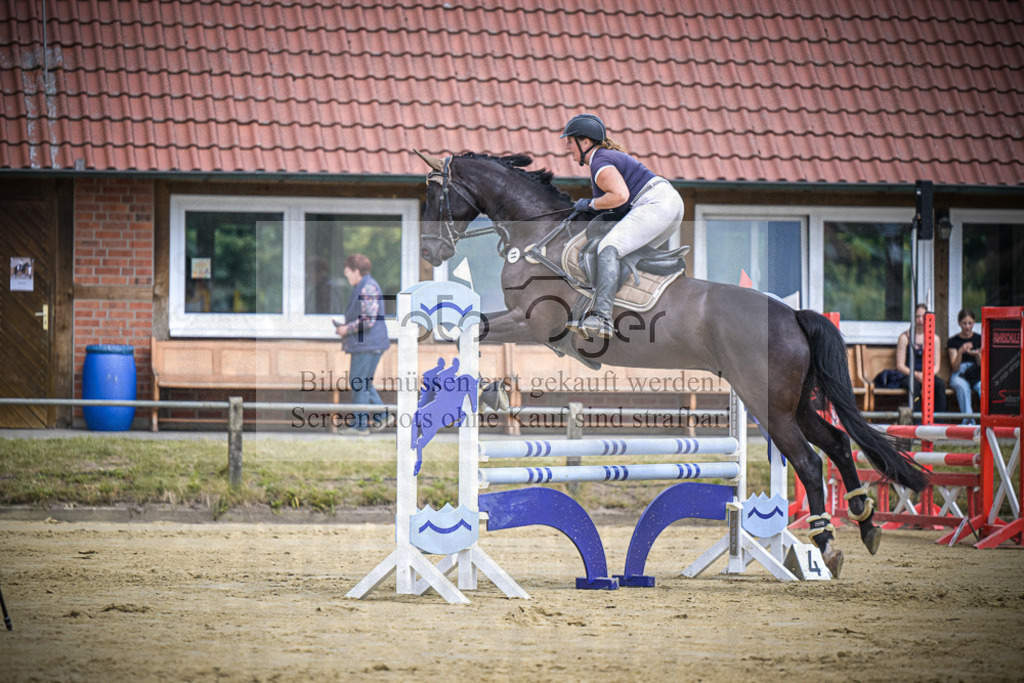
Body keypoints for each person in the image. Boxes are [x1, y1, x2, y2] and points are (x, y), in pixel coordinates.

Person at [560, 113, 684, 340]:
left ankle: (602, 317)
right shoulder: (605, 158)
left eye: (570, 140)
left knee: (608, 247)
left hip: (655, 204)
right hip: (669, 205)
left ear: (585, 142)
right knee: (625, 253)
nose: (568, 146)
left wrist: (589, 203)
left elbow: (619, 196)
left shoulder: (599, 162)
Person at [334, 254, 390, 434]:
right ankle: (382, 416)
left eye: (348, 273)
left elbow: (367, 320)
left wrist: (345, 329)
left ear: (356, 271)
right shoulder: (364, 286)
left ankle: (360, 426)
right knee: (362, 383)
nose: (347, 276)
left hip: (368, 344)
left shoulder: (367, 288)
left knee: (359, 382)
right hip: (369, 344)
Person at [895, 304, 947, 416]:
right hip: (909, 375)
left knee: (939, 384)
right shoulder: (904, 338)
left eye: (923, 317)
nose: (920, 320)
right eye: (917, 316)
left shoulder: (935, 339)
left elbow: (937, 366)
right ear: (913, 318)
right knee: (915, 386)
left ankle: (940, 421)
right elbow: (900, 365)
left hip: (927, 374)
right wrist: (916, 374)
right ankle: (917, 421)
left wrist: (926, 375)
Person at [947, 308, 982, 422]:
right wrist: (961, 351)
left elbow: (982, 365)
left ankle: (990, 421)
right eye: (964, 323)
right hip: (959, 374)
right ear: (959, 323)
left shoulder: (980, 339)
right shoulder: (953, 341)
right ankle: (969, 422)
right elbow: (955, 368)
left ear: (974, 322)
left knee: (983, 387)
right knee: (962, 387)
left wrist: (977, 355)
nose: (967, 326)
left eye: (970, 323)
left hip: (976, 373)